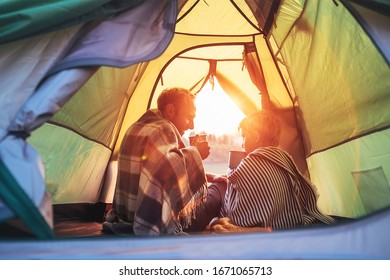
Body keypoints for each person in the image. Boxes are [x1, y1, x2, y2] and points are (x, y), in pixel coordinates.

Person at [103, 87, 225, 235]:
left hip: (127, 216)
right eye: (189, 116)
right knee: (219, 189)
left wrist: (209, 176)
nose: (192, 125)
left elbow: (156, 170)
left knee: (216, 181)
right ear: (171, 110)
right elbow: (165, 170)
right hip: (159, 221)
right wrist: (196, 152)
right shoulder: (164, 129)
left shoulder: (135, 128)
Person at [209, 110, 335, 233]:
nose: (242, 144)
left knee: (218, 221)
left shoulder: (251, 161)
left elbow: (234, 208)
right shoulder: (284, 157)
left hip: (270, 226)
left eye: (244, 136)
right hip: (289, 221)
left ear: (256, 136)